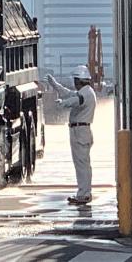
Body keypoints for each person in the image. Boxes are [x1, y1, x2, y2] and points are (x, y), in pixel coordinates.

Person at [46, 64, 97, 204]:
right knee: (82, 164)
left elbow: (75, 100)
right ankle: (83, 192)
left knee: (82, 165)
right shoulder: (86, 91)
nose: (74, 83)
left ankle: (84, 194)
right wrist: (55, 85)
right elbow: (69, 93)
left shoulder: (85, 93)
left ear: (80, 80)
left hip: (81, 131)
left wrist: (64, 103)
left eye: (75, 80)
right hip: (79, 131)